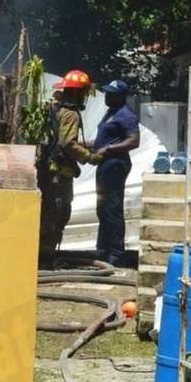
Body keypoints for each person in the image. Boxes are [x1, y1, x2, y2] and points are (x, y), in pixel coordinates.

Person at [37, 69, 99, 264]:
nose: (85, 97)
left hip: (47, 170)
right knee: (58, 214)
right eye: (84, 93)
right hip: (59, 174)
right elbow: (67, 143)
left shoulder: (54, 108)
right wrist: (89, 157)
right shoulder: (71, 114)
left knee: (47, 212)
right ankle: (45, 258)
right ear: (77, 93)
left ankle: (43, 255)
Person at [90, 80, 140, 266]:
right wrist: (83, 145)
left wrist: (108, 149)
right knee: (102, 208)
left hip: (115, 165)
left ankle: (116, 254)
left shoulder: (126, 115)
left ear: (121, 97)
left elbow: (133, 141)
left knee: (112, 208)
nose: (107, 96)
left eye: (111, 94)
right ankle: (103, 249)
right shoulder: (110, 113)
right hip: (105, 164)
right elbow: (102, 141)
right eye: (107, 93)